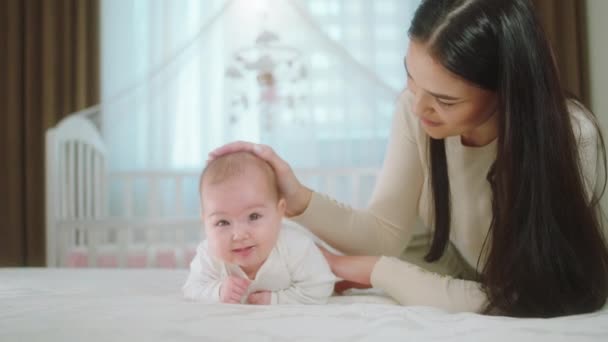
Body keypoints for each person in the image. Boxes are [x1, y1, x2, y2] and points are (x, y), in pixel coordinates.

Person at [209, 0, 608, 317]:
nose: (419, 107)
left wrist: (370, 270)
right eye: (410, 78)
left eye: (445, 99)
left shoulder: (573, 138)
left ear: (508, 92)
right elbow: (383, 232)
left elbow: (529, 296)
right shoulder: (417, 114)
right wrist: (296, 198)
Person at [182, 152, 335, 304]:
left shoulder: (296, 246)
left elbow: (320, 286)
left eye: (253, 216)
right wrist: (218, 291)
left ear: (279, 211)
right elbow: (192, 289)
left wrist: (276, 300)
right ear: (205, 222)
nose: (239, 235)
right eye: (222, 222)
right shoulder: (208, 254)